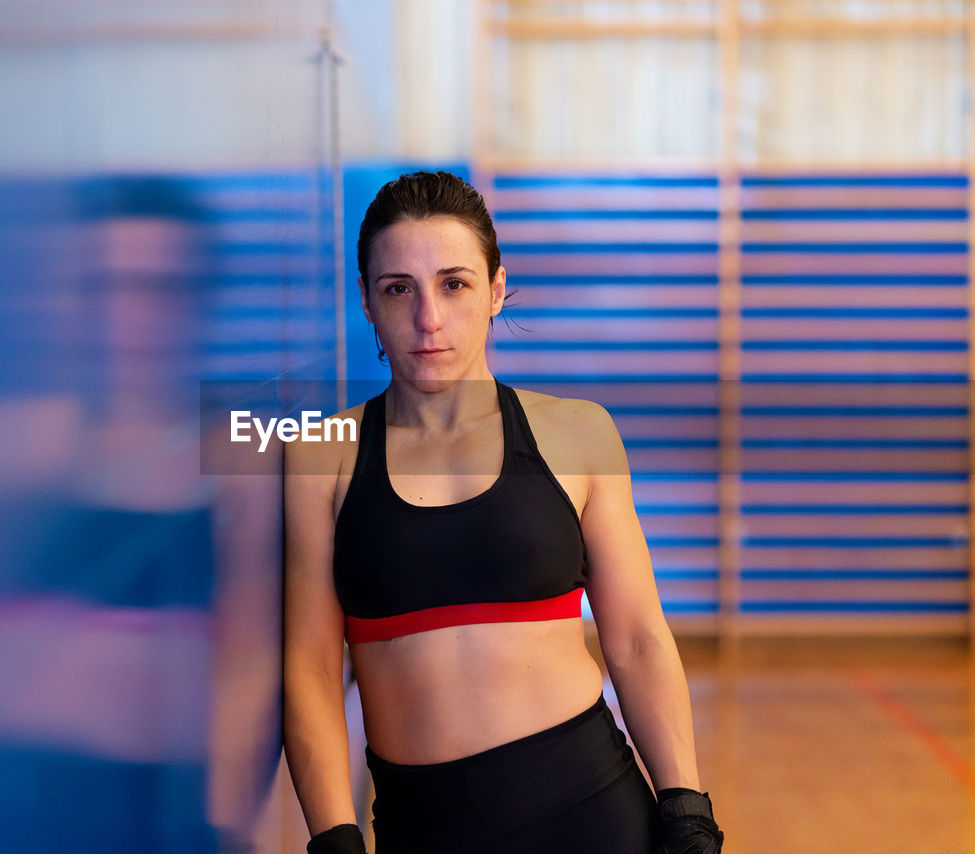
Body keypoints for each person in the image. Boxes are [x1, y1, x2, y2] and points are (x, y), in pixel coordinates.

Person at [283, 171, 724, 854]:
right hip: (421, 829)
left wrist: (685, 804)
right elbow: (310, 668)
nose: (429, 318)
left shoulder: (579, 433)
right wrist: (334, 836)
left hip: (594, 815)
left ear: (495, 290)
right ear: (367, 302)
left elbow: (636, 637)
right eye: (399, 288)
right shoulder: (322, 455)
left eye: (454, 284)